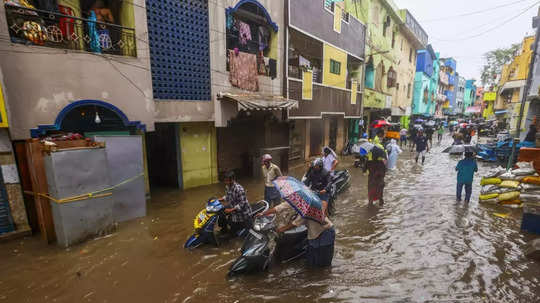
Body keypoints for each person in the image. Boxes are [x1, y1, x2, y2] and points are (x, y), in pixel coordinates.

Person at [219, 171, 253, 236]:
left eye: (228, 181)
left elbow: (242, 204)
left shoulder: (239, 189)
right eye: (225, 181)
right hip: (233, 207)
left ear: (233, 179)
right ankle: (224, 229)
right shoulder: (227, 187)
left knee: (233, 234)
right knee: (220, 212)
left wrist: (230, 210)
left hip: (242, 214)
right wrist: (219, 199)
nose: (226, 182)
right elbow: (228, 196)